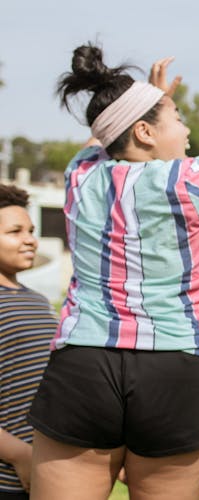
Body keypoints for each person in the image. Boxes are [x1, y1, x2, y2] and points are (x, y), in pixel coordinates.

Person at [27, 40, 199, 500]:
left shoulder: (81, 174)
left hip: (83, 363)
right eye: (177, 117)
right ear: (143, 131)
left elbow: (103, 135)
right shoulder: (190, 177)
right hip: (176, 365)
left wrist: (145, 98)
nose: (187, 126)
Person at [0, 184, 57, 499]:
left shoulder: (38, 301)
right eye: (15, 231)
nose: (30, 240)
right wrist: (18, 455)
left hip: (44, 468)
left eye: (31, 231)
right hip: (9, 474)